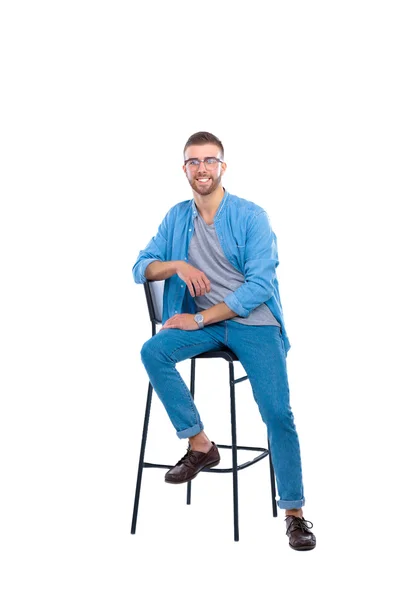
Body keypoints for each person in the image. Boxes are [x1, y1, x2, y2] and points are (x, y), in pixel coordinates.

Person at [132, 131, 316, 551]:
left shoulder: (251, 216)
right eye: (193, 162)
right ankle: (200, 444)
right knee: (153, 351)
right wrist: (176, 264)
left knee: (277, 413)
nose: (201, 169)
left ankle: (294, 513)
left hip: (255, 324)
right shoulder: (177, 217)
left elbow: (259, 286)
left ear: (222, 167)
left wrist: (199, 317)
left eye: (209, 161)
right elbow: (139, 267)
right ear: (184, 169)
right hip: (206, 325)